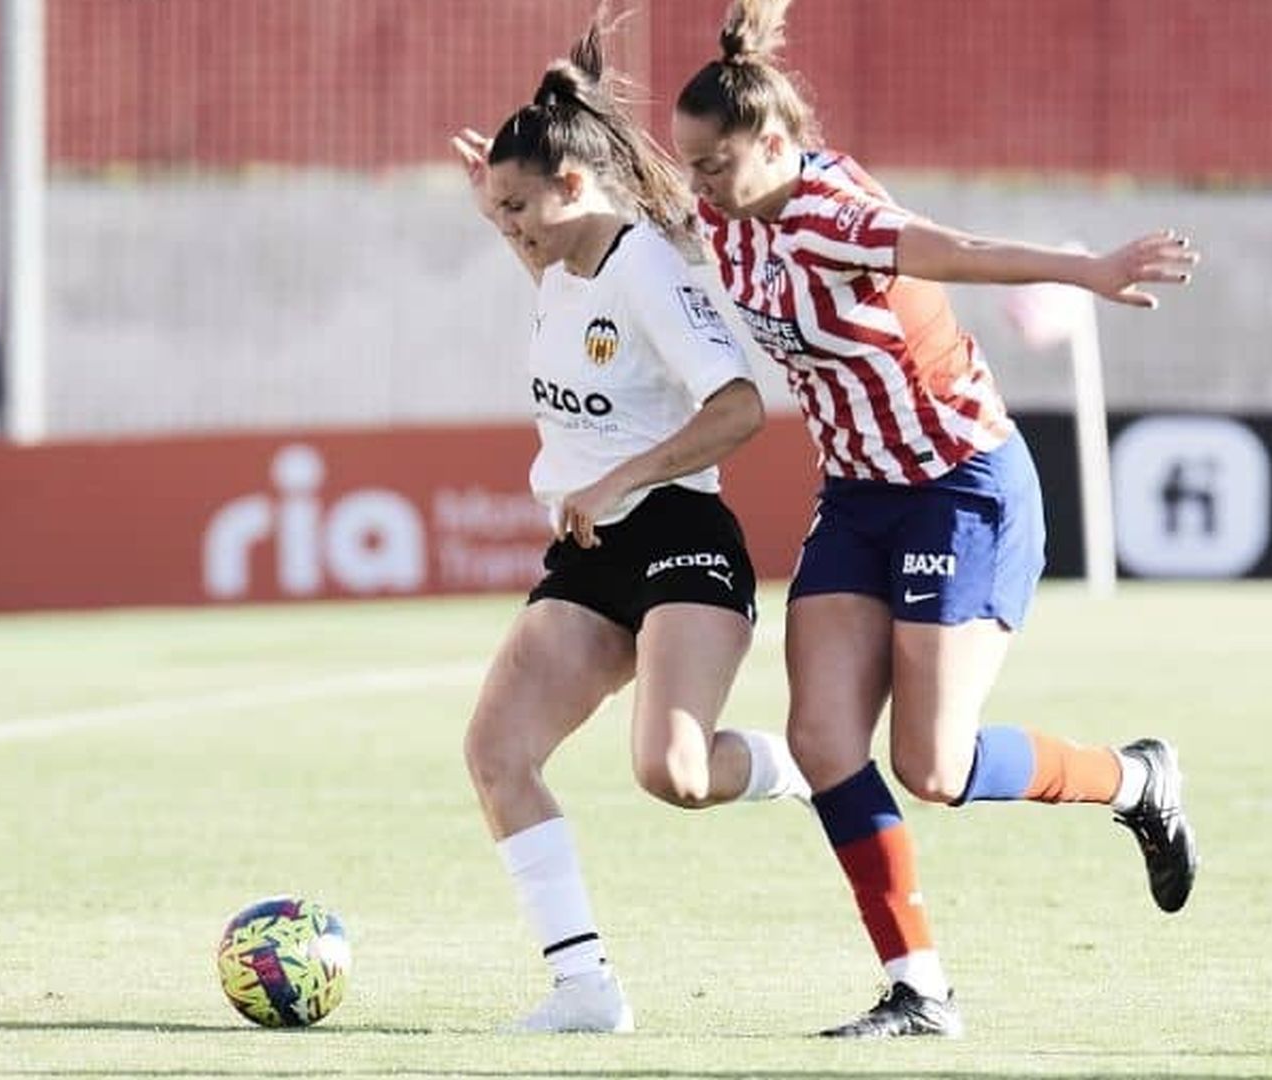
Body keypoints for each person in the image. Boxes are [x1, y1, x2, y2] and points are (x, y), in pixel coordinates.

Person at [667, 0, 1203, 1038]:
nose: (700, 188)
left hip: (963, 488)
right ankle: (920, 990)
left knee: (934, 768)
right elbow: (652, 200)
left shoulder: (831, 211)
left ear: (774, 144)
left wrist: (1082, 270)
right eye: (690, 166)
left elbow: (952, 248)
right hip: (861, 496)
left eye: (714, 166)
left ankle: (1136, 780)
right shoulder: (730, 211)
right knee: (824, 740)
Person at [449, 8, 810, 1036]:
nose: (510, 227)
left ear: (574, 186)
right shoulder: (561, 260)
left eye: (520, 207)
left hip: (679, 538)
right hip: (590, 552)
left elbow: (739, 408)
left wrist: (623, 480)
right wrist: (495, 206)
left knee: (675, 776)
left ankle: (805, 772)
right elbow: (553, 272)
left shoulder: (650, 268)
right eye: (499, 211)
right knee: (496, 752)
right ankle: (584, 988)